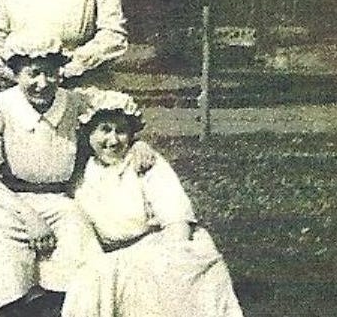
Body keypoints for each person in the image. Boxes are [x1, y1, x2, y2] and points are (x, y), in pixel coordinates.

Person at [62, 90, 244, 317]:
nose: (113, 140)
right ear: (89, 132)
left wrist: (171, 256)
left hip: (159, 243)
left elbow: (176, 216)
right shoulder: (79, 171)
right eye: (105, 130)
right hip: (113, 255)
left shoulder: (145, 162)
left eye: (122, 131)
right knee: (91, 281)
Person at [0, 42, 103, 317]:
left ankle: (64, 307)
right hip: (6, 201)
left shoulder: (76, 103)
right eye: (33, 74)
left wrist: (138, 145)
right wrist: (29, 216)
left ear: (60, 73)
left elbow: (116, 117)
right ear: (17, 74)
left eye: (50, 73)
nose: (42, 83)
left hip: (59, 200)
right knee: (0, 241)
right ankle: (17, 309)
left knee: (81, 260)